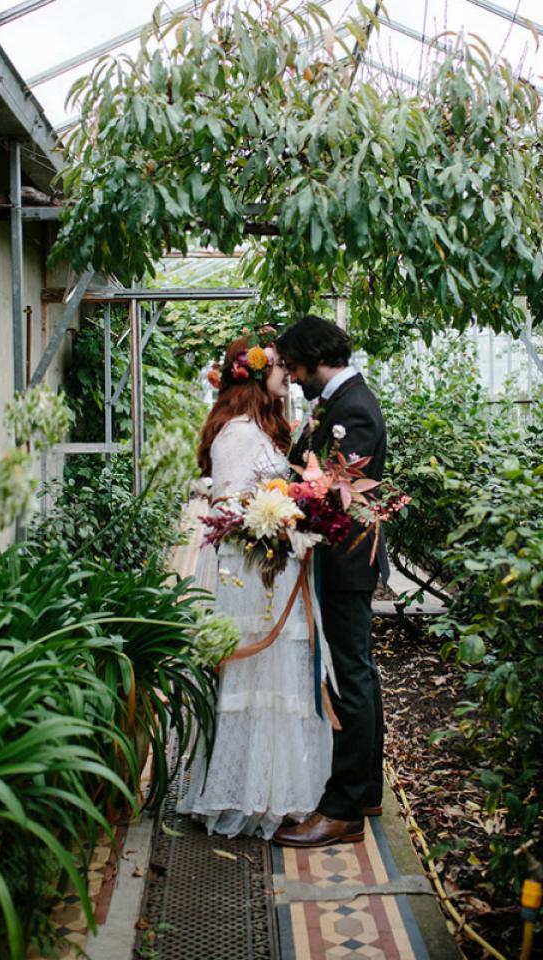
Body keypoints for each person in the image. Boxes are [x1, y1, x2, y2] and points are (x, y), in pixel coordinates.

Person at [178, 334, 334, 840]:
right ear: (255, 375)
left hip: (268, 567)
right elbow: (230, 508)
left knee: (275, 681)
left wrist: (297, 510)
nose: (286, 375)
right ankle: (248, 793)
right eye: (279, 369)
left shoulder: (255, 429)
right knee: (257, 680)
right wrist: (283, 515)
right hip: (250, 575)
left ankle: (272, 787)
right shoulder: (238, 435)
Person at [272, 315, 389, 849]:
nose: (293, 378)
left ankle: (343, 810)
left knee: (350, 678)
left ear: (318, 357)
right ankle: (364, 789)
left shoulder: (355, 409)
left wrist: (290, 505)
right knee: (357, 671)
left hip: (345, 564)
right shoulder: (337, 403)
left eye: (296, 367)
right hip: (338, 563)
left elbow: (341, 499)